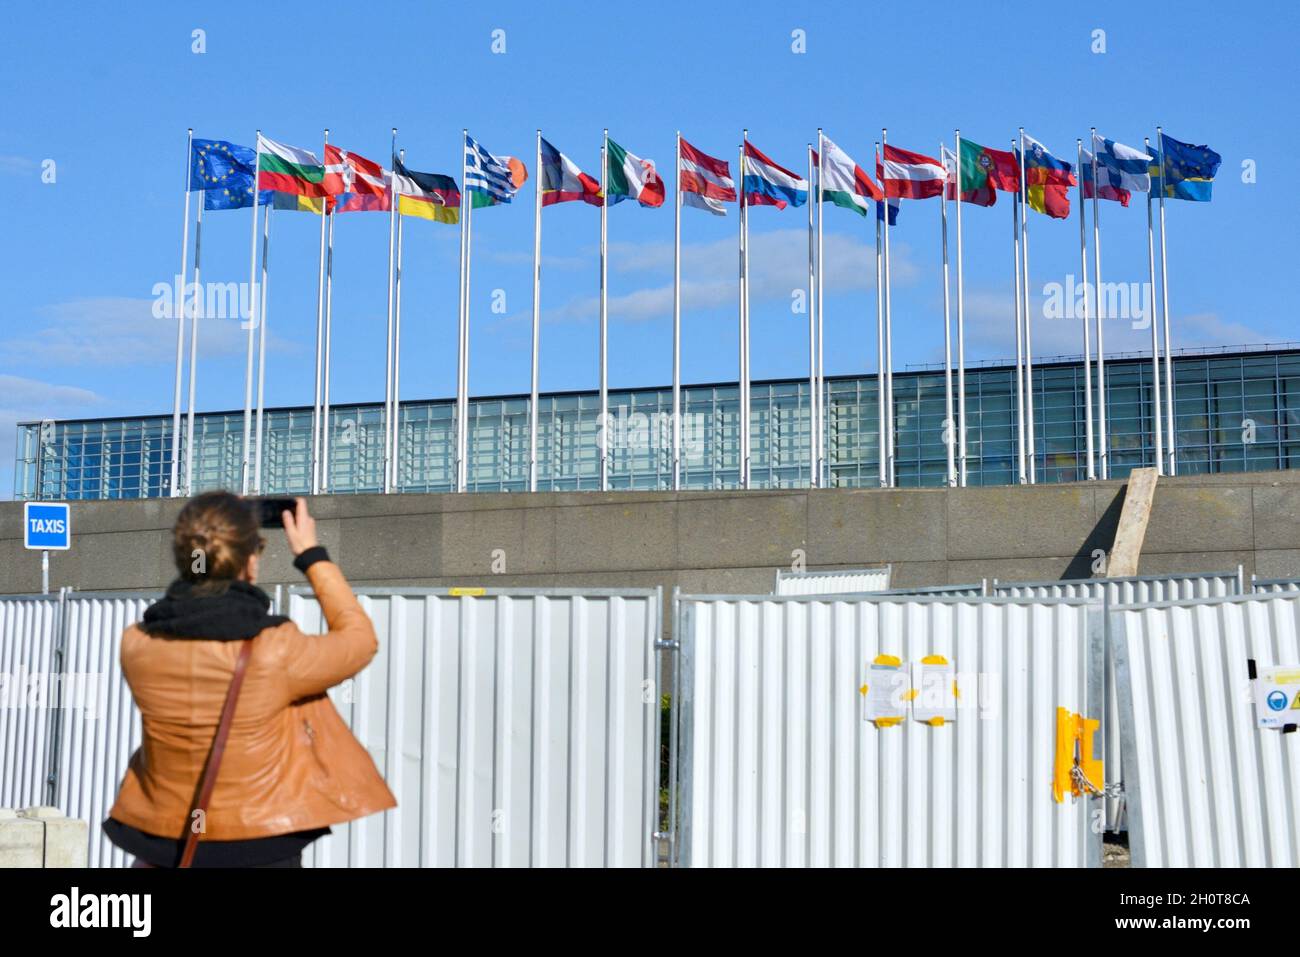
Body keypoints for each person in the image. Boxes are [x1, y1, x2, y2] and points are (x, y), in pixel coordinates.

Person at [103, 492, 395, 867]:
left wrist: (210, 531)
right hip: (260, 846)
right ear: (252, 563)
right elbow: (359, 640)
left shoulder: (138, 644)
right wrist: (310, 553)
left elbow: (196, 589)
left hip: (169, 845)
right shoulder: (274, 650)